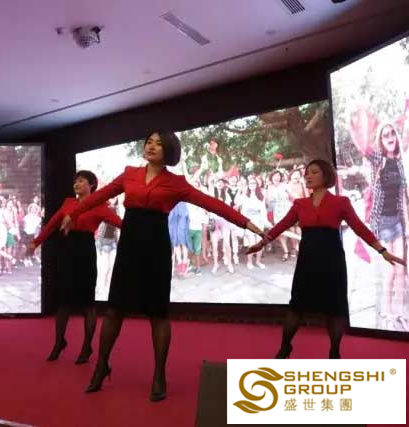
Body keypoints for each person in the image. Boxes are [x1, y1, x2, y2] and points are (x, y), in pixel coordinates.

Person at [60, 130, 264, 401]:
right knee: (114, 310)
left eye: (158, 143)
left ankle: (159, 375)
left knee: (158, 314)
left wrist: (247, 224)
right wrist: (72, 214)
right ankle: (101, 366)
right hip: (129, 246)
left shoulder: (176, 183)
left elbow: (212, 203)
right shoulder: (129, 174)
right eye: (149, 142)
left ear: (169, 150)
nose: (152, 146)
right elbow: (99, 196)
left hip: (155, 248)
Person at [247, 159, 404, 359]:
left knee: (334, 309)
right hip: (307, 261)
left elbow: (359, 227)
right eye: (307, 173)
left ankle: (334, 352)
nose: (308, 176)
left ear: (326, 175)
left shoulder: (341, 202)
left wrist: (382, 250)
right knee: (296, 307)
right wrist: (262, 243)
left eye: (313, 172)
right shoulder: (300, 204)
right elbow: (282, 225)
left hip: (332, 261)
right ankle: (285, 347)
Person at [28, 170, 122, 364]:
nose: (76, 184)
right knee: (63, 302)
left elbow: (120, 223)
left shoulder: (99, 205)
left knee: (88, 304)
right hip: (67, 252)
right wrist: (36, 242)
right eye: (75, 181)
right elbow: (52, 224)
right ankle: (59, 342)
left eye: (81, 181)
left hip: (85, 253)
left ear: (91, 185)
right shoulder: (68, 203)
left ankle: (87, 346)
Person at [349, 112, 409, 330]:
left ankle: (400, 312)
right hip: (382, 223)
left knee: (401, 269)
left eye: (392, 133)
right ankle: (386, 311)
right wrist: (356, 120)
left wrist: (407, 227)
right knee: (390, 270)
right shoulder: (379, 161)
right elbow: (365, 149)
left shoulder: (400, 164)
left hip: (398, 223)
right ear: (381, 140)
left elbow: (402, 197)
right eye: (385, 135)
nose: (390, 137)